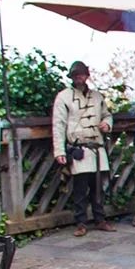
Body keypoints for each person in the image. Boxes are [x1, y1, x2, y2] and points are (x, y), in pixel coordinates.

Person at [52, 61, 116, 237]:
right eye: (76, 75)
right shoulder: (64, 97)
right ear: (72, 77)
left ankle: (100, 219)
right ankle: (81, 222)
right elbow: (58, 125)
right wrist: (59, 151)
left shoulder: (97, 97)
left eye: (82, 75)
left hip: (96, 148)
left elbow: (107, 115)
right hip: (79, 148)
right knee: (80, 189)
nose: (79, 78)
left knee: (97, 188)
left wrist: (106, 125)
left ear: (87, 76)